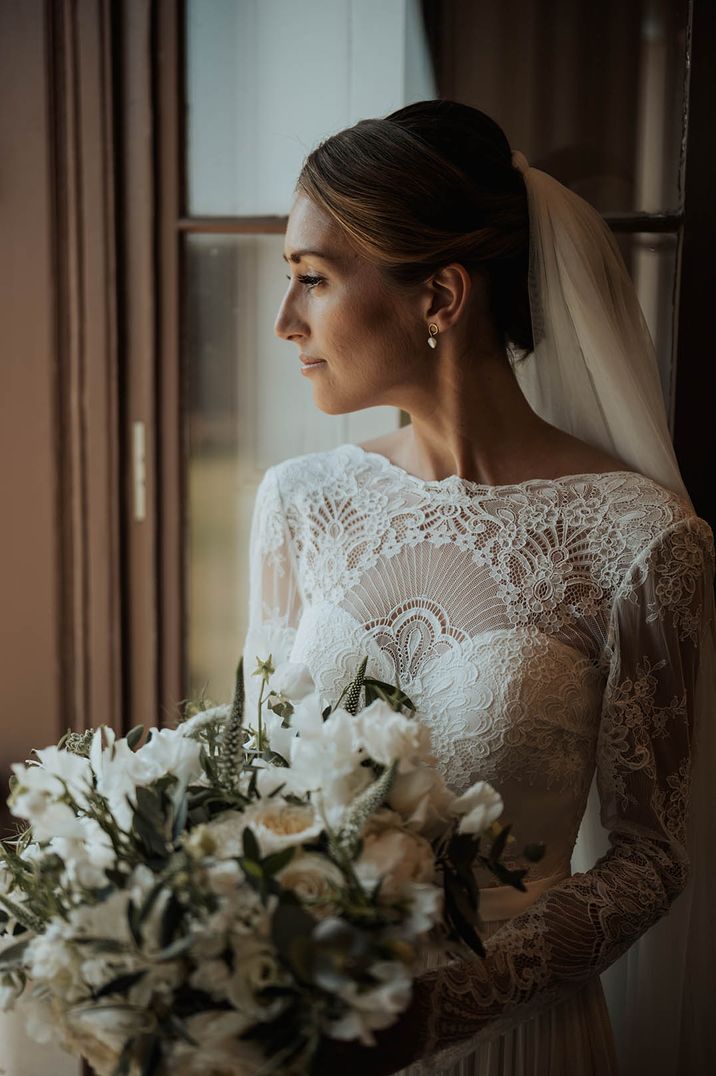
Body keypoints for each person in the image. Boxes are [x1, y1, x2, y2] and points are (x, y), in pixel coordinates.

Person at [243, 99, 715, 1075]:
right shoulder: (298, 502)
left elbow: (649, 856)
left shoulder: (638, 535)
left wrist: (435, 1010)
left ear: (440, 296)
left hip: (515, 1041)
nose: (284, 320)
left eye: (313, 279)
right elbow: (248, 779)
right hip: (305, 1034)